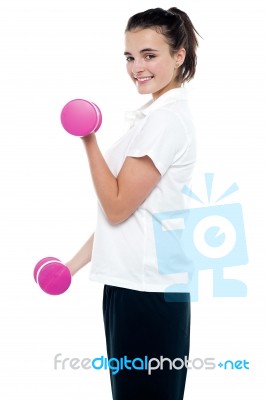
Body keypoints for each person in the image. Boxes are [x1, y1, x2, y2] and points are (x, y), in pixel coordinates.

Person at [66, 7, 200, 400]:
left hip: (146, 294)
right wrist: (71, 267)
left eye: (149, 55)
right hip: (132, 287)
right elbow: (124, 219)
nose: (137, 67)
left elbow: (117, 206)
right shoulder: (153, 117)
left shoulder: (166, 121)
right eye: (129, 56)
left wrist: (87, 138)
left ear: (180, 55)